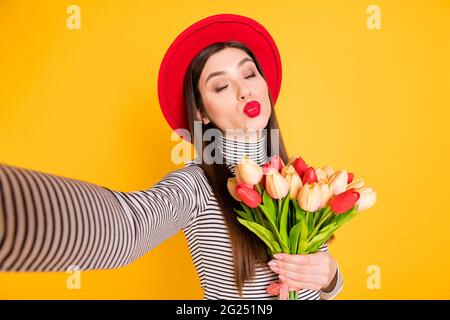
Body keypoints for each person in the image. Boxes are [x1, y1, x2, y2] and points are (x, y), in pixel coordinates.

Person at [0, 13, 343, 300]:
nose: (244, 90)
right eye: (221, 86)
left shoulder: (299, 181)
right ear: (202, 113)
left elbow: (328, 286)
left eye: (249, 73)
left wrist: (328, 275)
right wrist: (11, 214)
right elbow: (126, 229)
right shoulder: (196, 186)